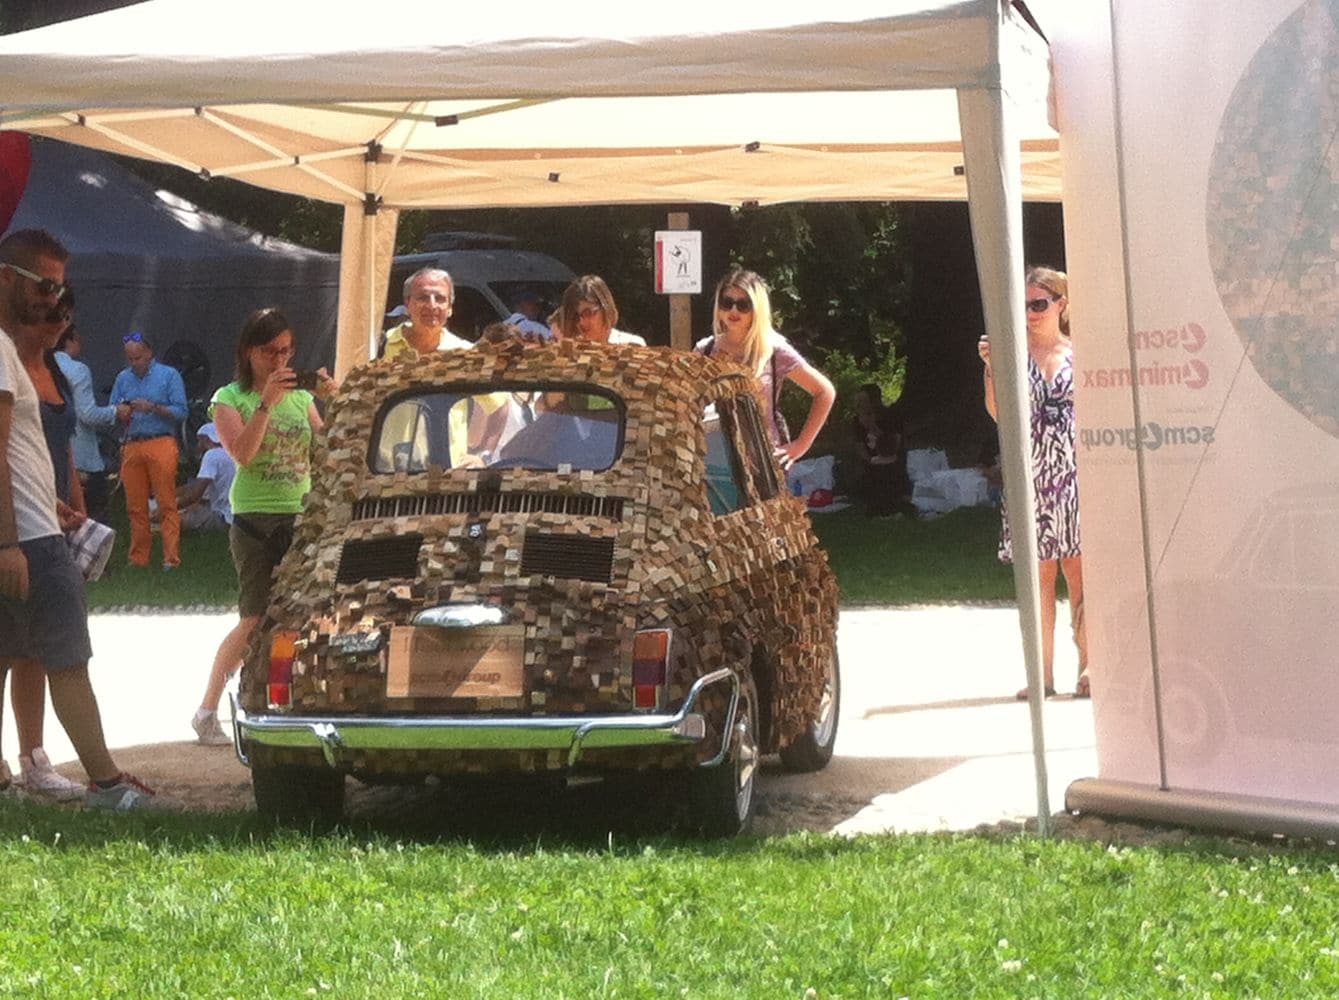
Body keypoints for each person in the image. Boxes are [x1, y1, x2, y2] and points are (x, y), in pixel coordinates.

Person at [0, 228, 157, 809]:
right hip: (30, 543)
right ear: (7, 277)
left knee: (13, 652)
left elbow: (20, 455)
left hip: (35, 528)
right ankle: (109, 786)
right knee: (69, 659)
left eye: (60, 290)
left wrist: (55, 504)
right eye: (45, 285)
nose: (53, 302)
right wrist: (9, 544)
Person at [192, 308, 333, 745]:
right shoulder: (228, 398)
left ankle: (298, 701)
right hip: (255, 518)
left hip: (302, 514)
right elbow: (243, 455)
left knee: (308, 616)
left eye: (287, 352)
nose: (281, 361)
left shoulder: (302, 398)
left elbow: (330, 451)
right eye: (271, 352)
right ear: (249, 351)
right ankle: (206, 709)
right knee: (253, 618)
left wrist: (337, 397)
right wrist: (266, 403)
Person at [979, 265, 1089, 700]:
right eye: (1023, 305)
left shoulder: (1080, 353)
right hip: (1033, 475)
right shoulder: (1010, 355)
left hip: (1077, 475)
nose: (1030, 313)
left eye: (1039, 304)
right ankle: (1041, 674)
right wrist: (991, 369)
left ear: (1061, 304)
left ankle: (1089, 667)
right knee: (1038, 577)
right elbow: (998, 414)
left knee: (1080, 574)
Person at [694, 267, 835, 470]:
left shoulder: (773, 351)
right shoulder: (704, 350)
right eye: (727, 303)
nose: (733, 311)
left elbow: (824, 391)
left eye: (744, 305)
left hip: (764, 464)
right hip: (714, 463)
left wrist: (800, 446)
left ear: (757, 309)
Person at [110, 331, 187, 569]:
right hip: (132, 442)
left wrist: (153, 407)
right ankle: (138, 558)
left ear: (150, 353)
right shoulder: (123, 378)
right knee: (135, 505)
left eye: (139, 357)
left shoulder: (169, 375)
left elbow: (181, 411)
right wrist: (120, 411)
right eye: (130, 358)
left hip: (160, 441)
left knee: (166, 502)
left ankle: (171, 558)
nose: (135, 363)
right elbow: (112, 408)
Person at [52, 294, 117, 525]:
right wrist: (116, 412)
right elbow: (87, 414)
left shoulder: (38, 364)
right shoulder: (78, 370)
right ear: (69, 339)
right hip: (83, 457)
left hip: (51, 456)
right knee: (94, 520)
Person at [381, 267, 472, 360]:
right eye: (423, 298)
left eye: (439, 298)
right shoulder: (379, 344)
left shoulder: (465, 353)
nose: (432, 306)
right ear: (407, 304)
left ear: (449, 308)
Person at [853, 383, 915, 519]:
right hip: (873, 462)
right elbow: (859, 446)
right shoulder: (857, 421)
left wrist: (873, 427)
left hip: (892, 460)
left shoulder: (891, 417)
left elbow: (893, 446)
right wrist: (869, 460)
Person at [175, 422, 235, 532]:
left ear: (207, 439)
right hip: (238, 514)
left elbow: (195, 494)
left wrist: (167, 509)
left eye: (200, 440)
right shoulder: (234, 453)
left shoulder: (212, 455)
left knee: (171, 520)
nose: (198, 445)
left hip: (224, 516)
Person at [560, 275, 646, 346]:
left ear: (605, 308)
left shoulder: (633, 345)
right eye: (575, 316)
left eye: (588, 313)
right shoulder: (568, 354)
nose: (581, 322)